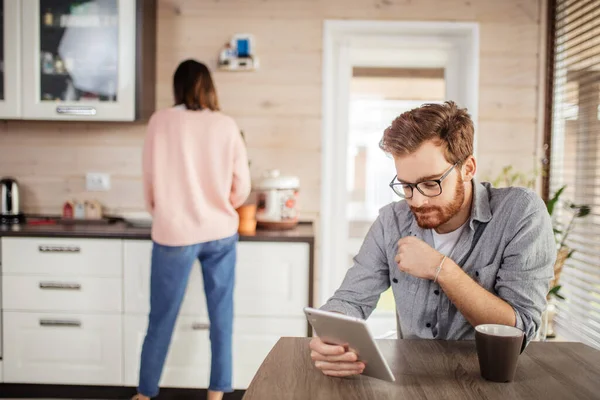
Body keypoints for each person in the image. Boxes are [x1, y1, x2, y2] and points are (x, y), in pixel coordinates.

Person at [310, 101, 555, 378]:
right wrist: (330, 337)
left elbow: (519, 331)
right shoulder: (392, 221)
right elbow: (351, 300)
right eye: (406, 186)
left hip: (494, 379)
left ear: (468, 168)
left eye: (430, 184)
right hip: (414, 378)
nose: (417, 200)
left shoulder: (520, 213)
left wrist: (441, 268)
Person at [134, 60, 251, 400]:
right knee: (221, 319)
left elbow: (150, 180)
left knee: (161, 318)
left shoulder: (160, 121)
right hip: (220, 233)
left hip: (173, 233)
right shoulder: (226, 125)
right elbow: (241, 187)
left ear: (177, 87)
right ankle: (216, 394)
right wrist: (220, 204)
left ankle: (145, 394)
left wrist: (165, 213)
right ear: (209, 86)